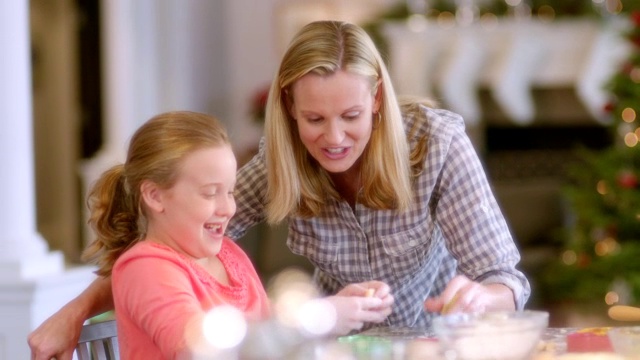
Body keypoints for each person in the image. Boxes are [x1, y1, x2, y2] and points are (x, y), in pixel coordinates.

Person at [29, 20, 530, 358]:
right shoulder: (282, 158)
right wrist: (74, 311)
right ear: (288, 106)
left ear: (377, 97)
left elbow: (503, 278)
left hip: (433, 346)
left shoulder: (436, 143)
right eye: (314, 118)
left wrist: (482, 298)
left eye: (351, 116)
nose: (333, 139)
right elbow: (168, 248)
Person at [84, 111, 272, 358]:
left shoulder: (230, 254)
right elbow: (195, 350)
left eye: (230, 192)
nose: (228, 209)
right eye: (209, 193)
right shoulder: (145, 267)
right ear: (155, 195)